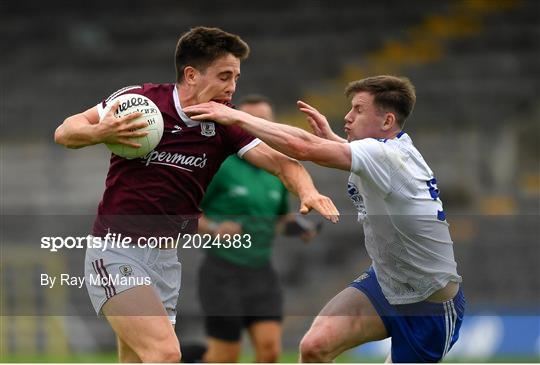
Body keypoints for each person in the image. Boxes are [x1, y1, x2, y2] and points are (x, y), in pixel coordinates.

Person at [54, 26, 339, 363]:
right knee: (164, 354)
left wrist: (307, 191)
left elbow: (282, 164)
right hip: (116, 252)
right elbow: (66, 131)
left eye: (235, 77)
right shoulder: (141, 102)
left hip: (164, 260)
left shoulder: (225, 125)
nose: (232, 87)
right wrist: (100, 130)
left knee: (136, 359)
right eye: (224, 76)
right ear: (191, 74)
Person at [184, 75, 465, 363]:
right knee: (314, 346)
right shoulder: (388, 152)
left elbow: (303, 148)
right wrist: (333, 140)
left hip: (428, 303)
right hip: (385, 283)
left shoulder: (386, 157)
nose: (348, 115)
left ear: (386, 121)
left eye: (358, 109)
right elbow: (360, 157)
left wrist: (234, 116)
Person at [190, 95, 319, 363]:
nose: (259, 126)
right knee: (225, 357)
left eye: (265, 121)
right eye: (252, 120)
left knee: (270, 351)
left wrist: (299, 227)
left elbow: (280, 219)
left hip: (261, 272)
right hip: (221, 271)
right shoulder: (221, 165)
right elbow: (186, 210)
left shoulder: (278, 169)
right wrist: (215, 227)